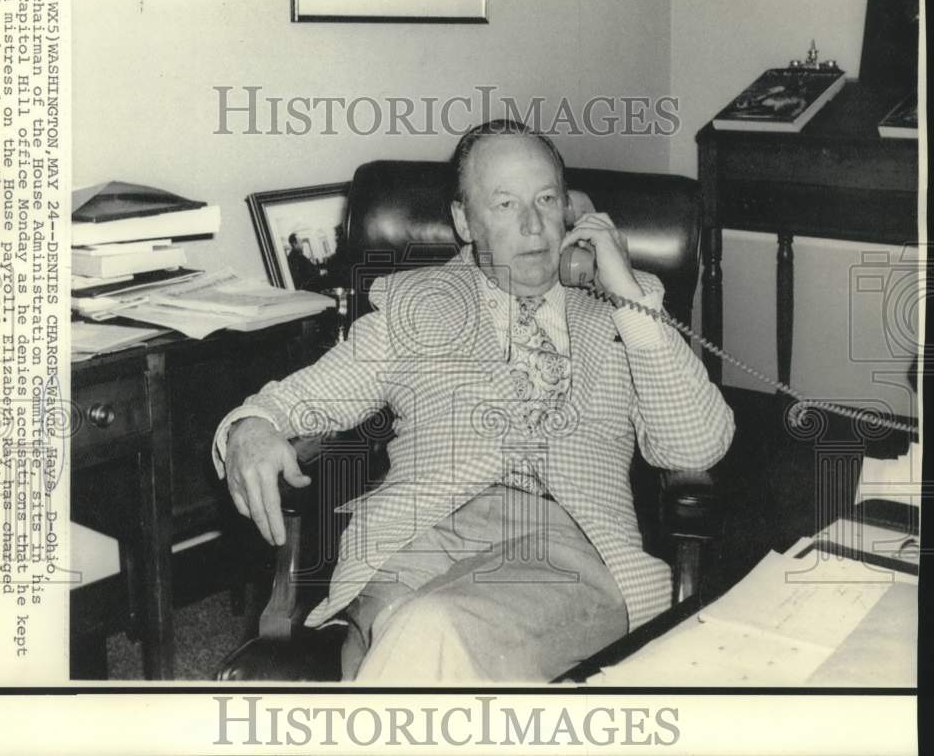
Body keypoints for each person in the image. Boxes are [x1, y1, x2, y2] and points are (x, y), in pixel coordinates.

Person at [213, 119, 734, 682]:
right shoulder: (416, 305)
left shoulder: (623, 309)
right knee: (411, 637)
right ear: (464, 220)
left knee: (426, 630)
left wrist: (630, 295)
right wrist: (252, 425)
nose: (534, 226)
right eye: (506, 204)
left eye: (546, 199)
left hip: (567, 547)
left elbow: (697, 444)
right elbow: (304, 398)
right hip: (416, 540)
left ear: (570, 210)